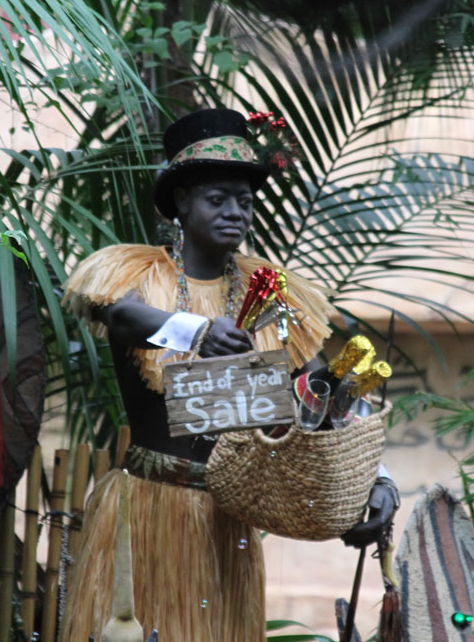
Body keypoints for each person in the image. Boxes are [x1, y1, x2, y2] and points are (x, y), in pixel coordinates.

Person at [60, 108, 397, 640]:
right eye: (218, 199)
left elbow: (316, 392)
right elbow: (120, 317)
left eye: (245, 201)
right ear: (181, 202)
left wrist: (378, 481)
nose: (234, 212)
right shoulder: (135, 272)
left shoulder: (270, 294)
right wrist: (193, 332)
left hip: (230, 523)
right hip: (150, 505)